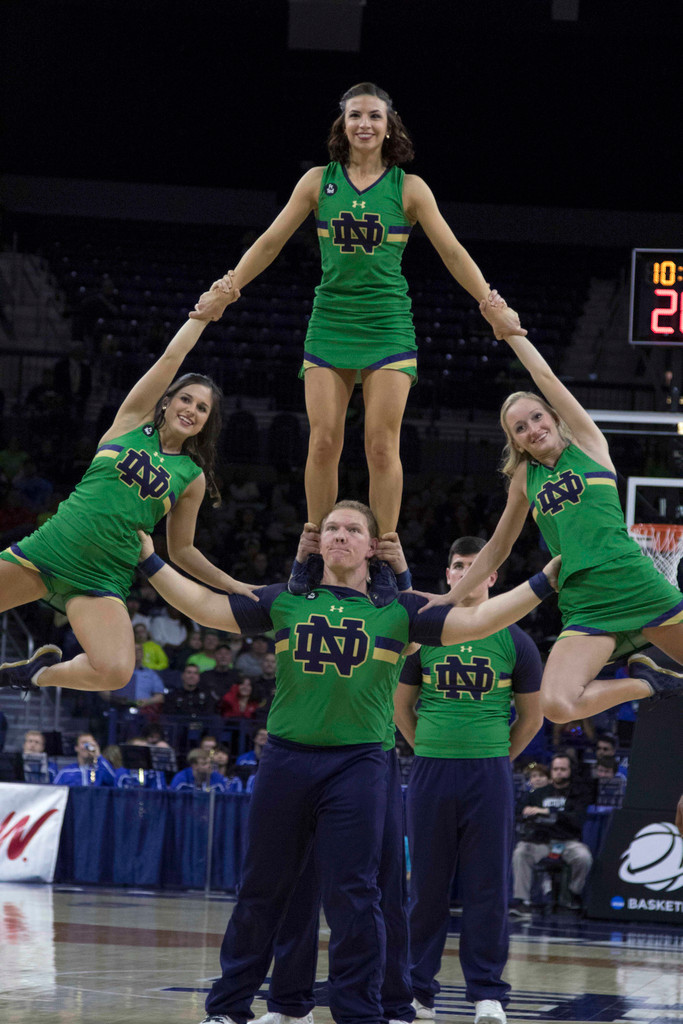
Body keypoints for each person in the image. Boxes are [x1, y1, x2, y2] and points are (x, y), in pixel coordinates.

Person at [135, 498, 559, 1024]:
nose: (339, 534)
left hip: (357, 765)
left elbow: (484, 619)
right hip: (286, 760)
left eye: (352, 528)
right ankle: (228, 1008)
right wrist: (150, 560)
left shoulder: (400, 612)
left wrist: (545, 579)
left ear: (371, 545)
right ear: (318, 540)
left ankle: (360, 1013)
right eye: (331, 527)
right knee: (261, 889)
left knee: (354, 896)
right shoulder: (285, 600)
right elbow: (204, 606)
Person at [192, 82, 493, 576]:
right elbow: (269, 242)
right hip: (331, 320)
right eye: (356, 115)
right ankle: (315, 551)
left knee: (380, 445)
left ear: (389, 124)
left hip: (387, 324)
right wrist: (228, 287)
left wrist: (490, 303)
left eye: (374, 116)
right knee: (323, 442)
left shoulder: (409, 188)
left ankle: (387, 560)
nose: (365, 124)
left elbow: (453, 253)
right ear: (343, 123)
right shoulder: (317, 181)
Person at [430, 292, 683, 725]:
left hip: (632, 580)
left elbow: (544, 375)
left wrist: (509, 333)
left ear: (552, 415)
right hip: (584, 600)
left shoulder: (588, 444)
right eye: (520, 428)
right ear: (515, 441)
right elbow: (495, 549)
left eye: (536, 417)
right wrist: (450, 598)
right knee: (557, 706)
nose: (532, 429)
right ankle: (650, 681)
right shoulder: (524, 482)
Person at [0, 278, 253, 698]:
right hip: (48, 550)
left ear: (208, 422)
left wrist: (233, 585)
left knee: (115, 671)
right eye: (186, 399)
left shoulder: (191, 476)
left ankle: (35, 675)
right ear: (168, 401)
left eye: (202, 408)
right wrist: (207, 314)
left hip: (103, 575)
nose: (191, 409)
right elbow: (173, 356)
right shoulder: (132, 421)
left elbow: (183, 551)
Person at [393, 536, 544, 1024]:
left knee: (488, 887)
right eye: (457, 565)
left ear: (492, 577)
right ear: (449, 575)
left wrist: (497, 755)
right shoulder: (424, 634)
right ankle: (417, 990)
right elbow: (399, 705)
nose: (465, 573)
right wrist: (426, 748)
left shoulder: (516, 640)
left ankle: (488, 994)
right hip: (431, 770)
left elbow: (532, 719)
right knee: (427, 888)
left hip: (489, 773)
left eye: (475, 566)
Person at [511, 753, 593, 914]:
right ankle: (522, 901)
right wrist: (526, 811)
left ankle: (572, 895)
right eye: (555, 769)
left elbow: (576, 818)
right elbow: (519, 810)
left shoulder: (579, 792)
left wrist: (546, 811)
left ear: (570, 771)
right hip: (541, 842)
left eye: (563, 769)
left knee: (583, 857)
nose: (559, 772)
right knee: (521, 851)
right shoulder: (539, 793)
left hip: (567, 841)